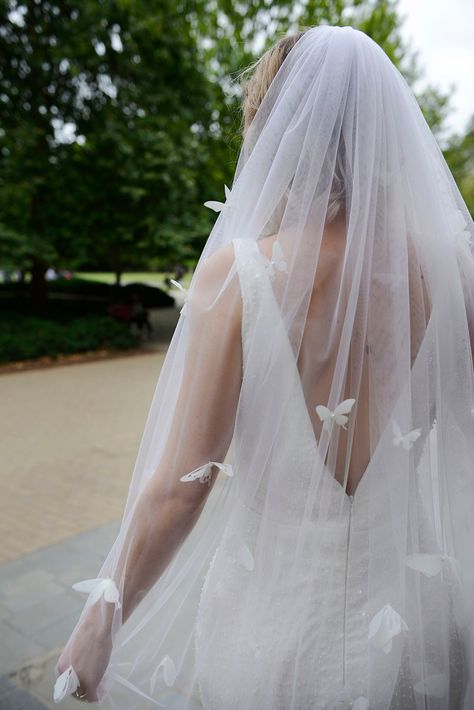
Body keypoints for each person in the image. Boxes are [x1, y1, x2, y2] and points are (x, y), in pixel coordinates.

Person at [53, 25, 474, 709]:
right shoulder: (455, 270)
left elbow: (180, 488)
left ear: (280, 131)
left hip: (278, 642)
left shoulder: (241, 277)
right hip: (420, 633)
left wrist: (102, 614)